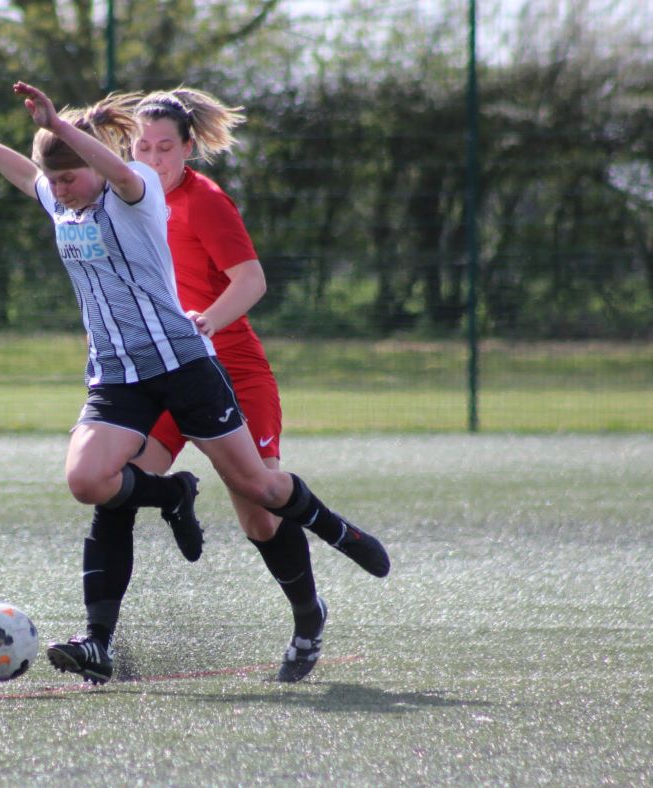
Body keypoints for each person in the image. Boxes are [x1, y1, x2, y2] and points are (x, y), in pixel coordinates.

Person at [0, 82, 387, 685]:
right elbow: (27, 175)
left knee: (259, 494)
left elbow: (117, 172)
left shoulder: (134, 196)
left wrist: (61, 128)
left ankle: (333, 530)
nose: (58, 190)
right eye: (54, 180)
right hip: (118, 378)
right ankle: (103, 628)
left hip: (185, 366)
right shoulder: (63, 202)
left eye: (68, 176)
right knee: (90, 481)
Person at [132, 87, 392, 682]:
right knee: (129, 479)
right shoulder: (128, 196)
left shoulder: (205, 202)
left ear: (190, 147)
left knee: (259, 512)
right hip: (166, 372)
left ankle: (308, 616)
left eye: (165, 147)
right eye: (142, 146)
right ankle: (104, 636)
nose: (153, 158)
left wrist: (207, 321)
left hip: (232, 369)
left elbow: (250, 280)